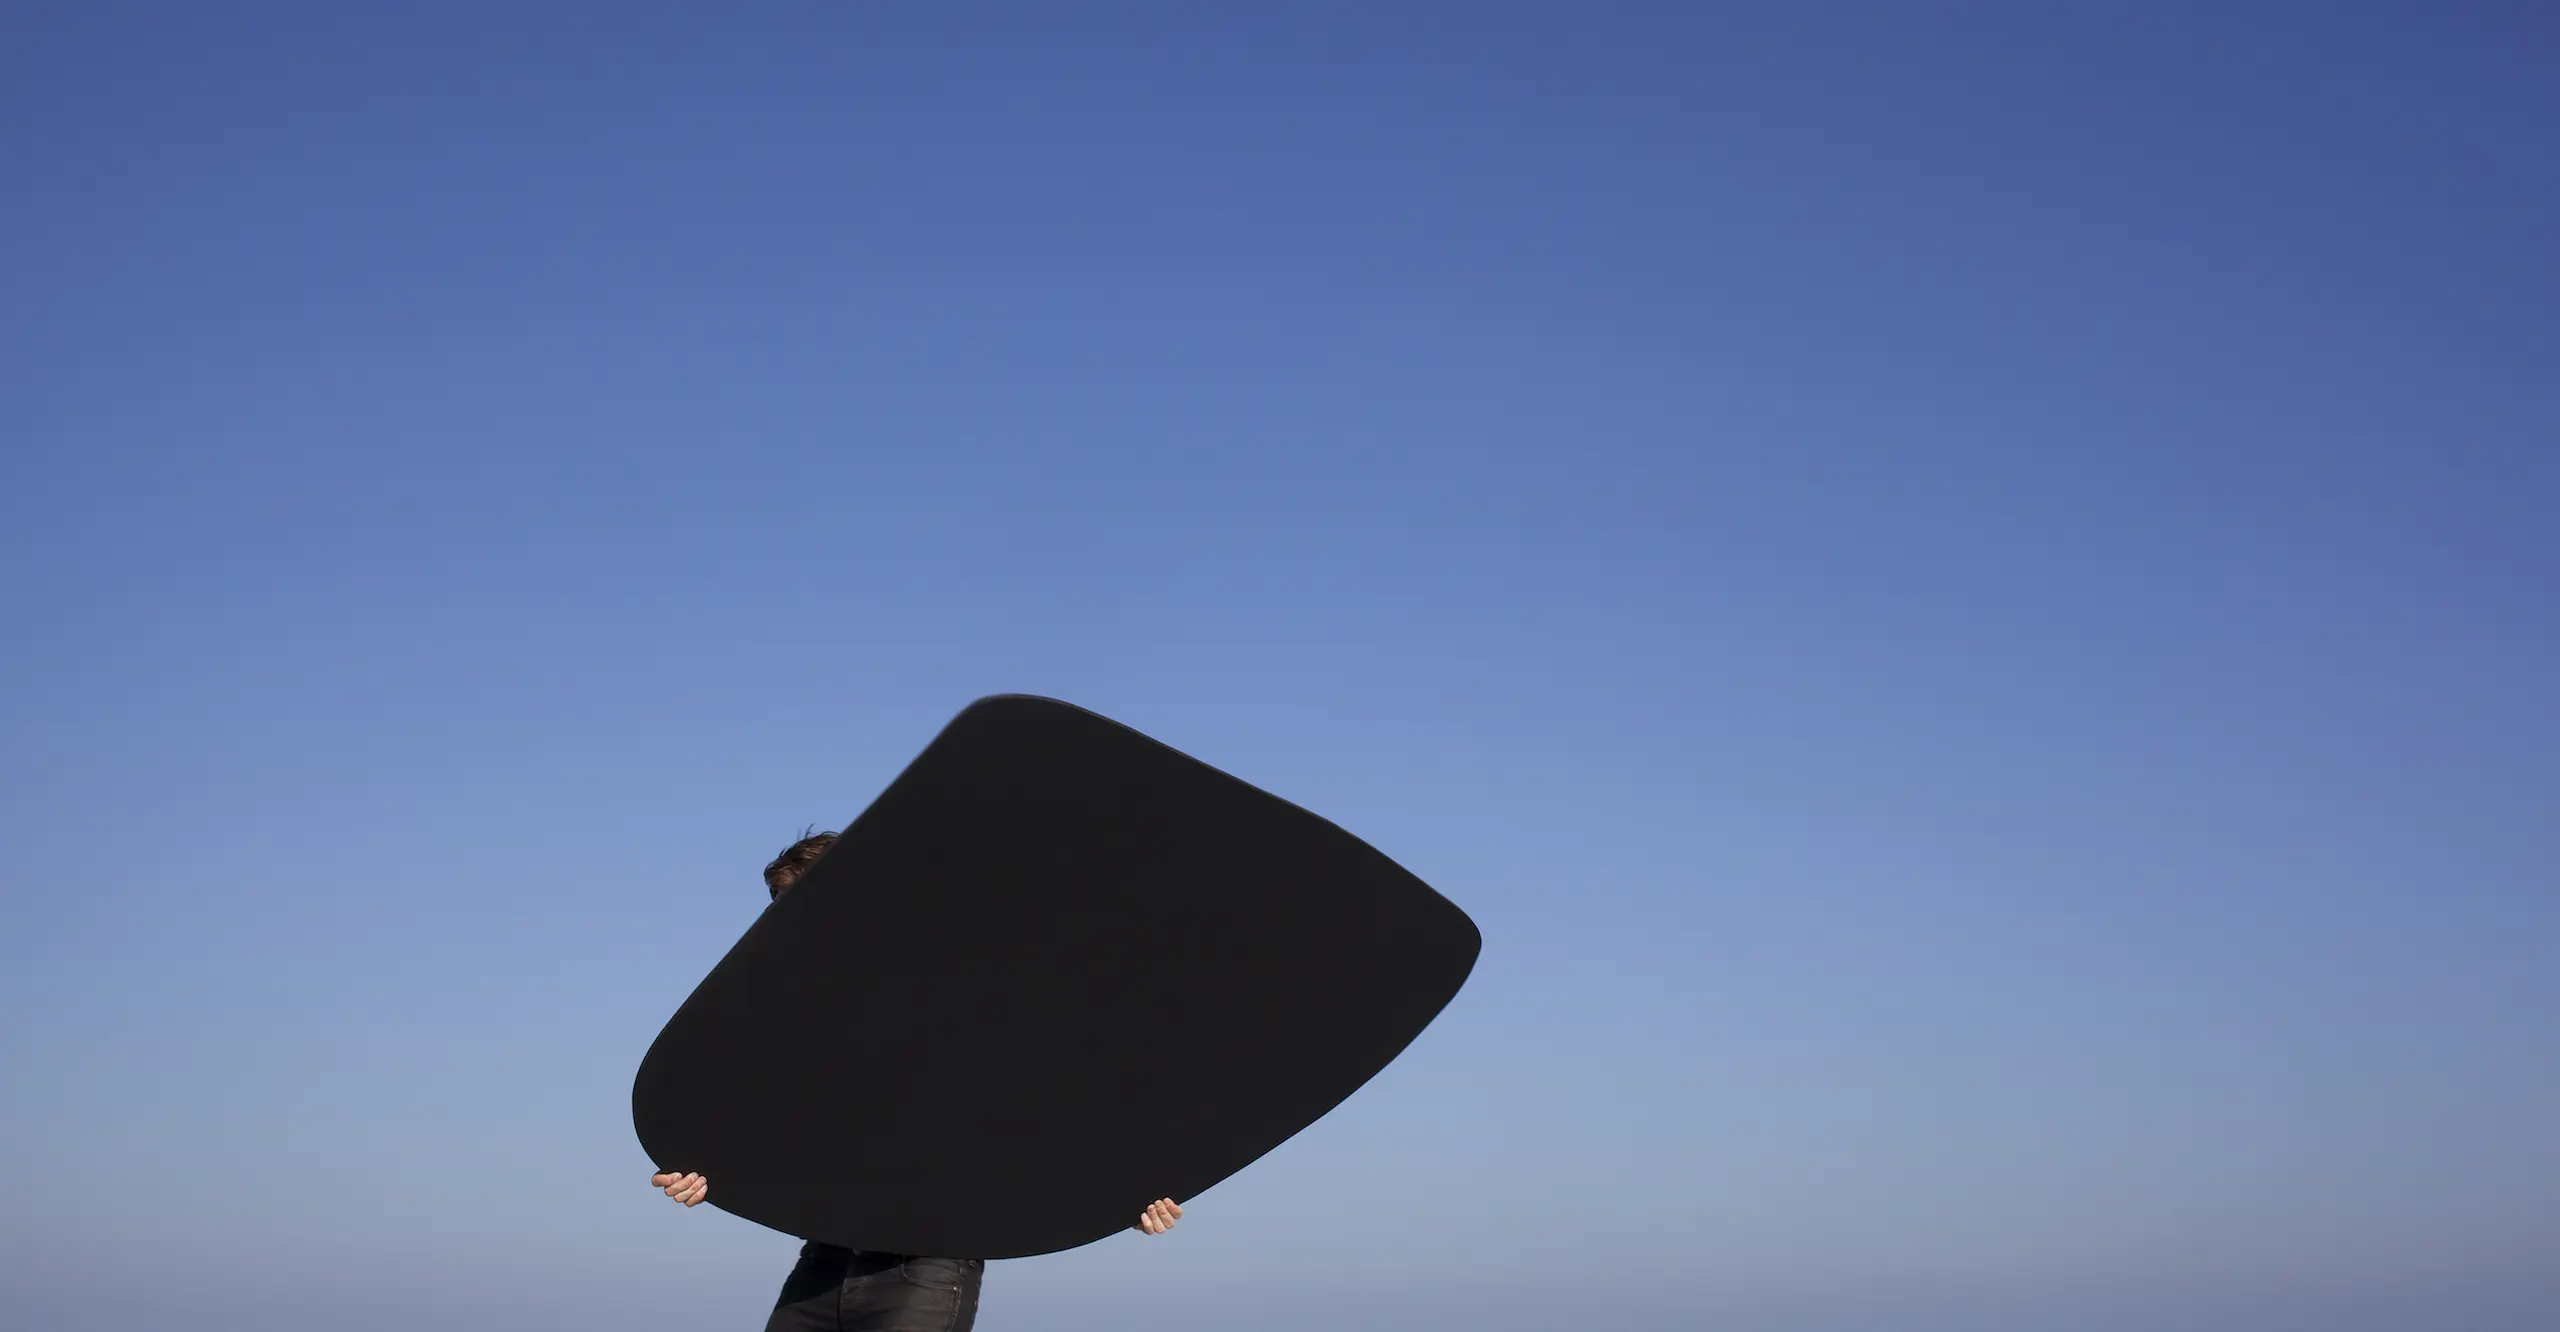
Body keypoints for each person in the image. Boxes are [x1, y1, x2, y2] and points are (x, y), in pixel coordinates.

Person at [649, 831, 1185, 1331]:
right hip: (823, 1259)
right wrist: (707, 1173)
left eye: (802, 902)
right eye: (777, 905)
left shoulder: (965, 992)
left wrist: (1124, 1195)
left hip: (926, 1266)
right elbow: (773, 1115)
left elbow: (1055, 1097)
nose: (785, 921)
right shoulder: (798, 1017)